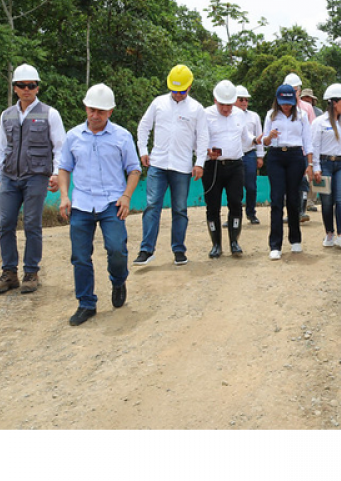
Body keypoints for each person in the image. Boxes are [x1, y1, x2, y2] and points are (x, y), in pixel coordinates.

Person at [58, 84, 141, 327]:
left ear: (110, 112)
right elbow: (64, 168)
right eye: (92, 110)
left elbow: (134, 169)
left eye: (101, 112)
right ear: (86, 107)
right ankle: (86, 303)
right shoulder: (73, 136)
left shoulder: (122, 137)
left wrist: (126, 196)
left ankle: (118, 280)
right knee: (80, 256)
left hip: (111, 203)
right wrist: (64, 196)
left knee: (116, 249)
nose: (95, 116)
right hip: (82, 204)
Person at [0, 64, 66, 295]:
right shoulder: (7, 115)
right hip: (9, 178)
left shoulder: (50, 114)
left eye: (31, 85)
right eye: (21, 85)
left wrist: (55, 174)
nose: (26, 89)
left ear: (37, 87)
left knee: (32, 224)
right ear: (14, 88)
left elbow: (60, 147)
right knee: (5, 224)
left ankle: (31, 273)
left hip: (36, 177)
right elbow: (0, 149)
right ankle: (9, 273)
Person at [135, 65, 209, 267]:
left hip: (182, 167)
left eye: (182, 90)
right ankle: (146, 249)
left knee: (179, 209)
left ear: (189, 87)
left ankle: (178, 250)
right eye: (174, 90)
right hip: (158, 164)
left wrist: (199, 163)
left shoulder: (196, 109)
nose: (177, 94)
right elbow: (144, 126)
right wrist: (143, 150)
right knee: (152, 206)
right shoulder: (158, 103)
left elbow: (203, 137)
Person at [204, 81, 257, 259]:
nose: (226, 109)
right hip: (213, 166)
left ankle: (234, 241)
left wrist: (257, 140)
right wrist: (205, 152)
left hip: (235, 165)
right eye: (222, 105)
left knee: (235, 203)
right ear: (215, 100)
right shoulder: (205, 115)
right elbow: (197, 140)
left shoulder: (240, 115)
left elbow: (246, 138)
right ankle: (216, 244)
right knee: (212, 206)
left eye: (229, 104)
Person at [263, 84, 313, 261]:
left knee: (293, 199)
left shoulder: (302, 115)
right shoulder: (271, 115)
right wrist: (268, 137)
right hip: (276, 156)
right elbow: (264, 141)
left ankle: (295, 239)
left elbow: (307, 140)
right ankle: (275, 244)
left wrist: (310, 163)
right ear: (277, 100)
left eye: (289, 102)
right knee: (277, 200)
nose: (286, 106)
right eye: (283, 102)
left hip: (295, 157)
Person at [312, 84, 341, 251]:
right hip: (324, 164)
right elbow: (314, 145)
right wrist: (315, 167)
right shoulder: (319, 122)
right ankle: (329, 233)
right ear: (334, 103)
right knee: (327, 201)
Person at [285, 73, 316, 223]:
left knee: (303, 181)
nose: (294, 93)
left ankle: (301, 211)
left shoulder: (307, 108)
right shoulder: (282, 107)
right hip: (288, 152)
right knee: (288, 182)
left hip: (303, 152)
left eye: (296, 90)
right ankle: (291, 212)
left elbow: (313, 129)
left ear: (299, 90)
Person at [235, 86, 265, 225]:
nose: (244, 102)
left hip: (249, 154)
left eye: (246, 100)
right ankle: (235, 214)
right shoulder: (229, 115)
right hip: (234, 156)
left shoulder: (254, 116)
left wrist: (260, 156)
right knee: (234, 188)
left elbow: (259, 136)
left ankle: (251, 213)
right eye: (241, 99)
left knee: (251, 186)